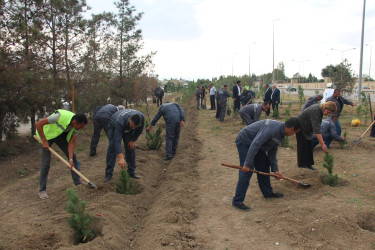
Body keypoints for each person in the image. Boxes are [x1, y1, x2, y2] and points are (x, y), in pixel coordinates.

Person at [232, 117, 301, 211]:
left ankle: (268, 192)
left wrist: (276, 170)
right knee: (247, 170)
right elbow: (255, 144)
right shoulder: (272, 129)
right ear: (291, 129)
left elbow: (272, 152)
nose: (293, 135)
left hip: (257, 145)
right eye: (294, 132)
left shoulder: (281, 135)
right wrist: (247, 164)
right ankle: (237, 201)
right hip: (245, 141)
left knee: (264, 165)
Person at [35, 110, 88, 199]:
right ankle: (42, 190)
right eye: (80, 126)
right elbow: (38, 124)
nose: (81, 128)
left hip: (60, 135)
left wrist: (70, 159)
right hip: (47, 136)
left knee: (73, 158)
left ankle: (77, 182)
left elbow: (71, 143)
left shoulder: (76, 126)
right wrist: (44, 141)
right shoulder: (58, 117)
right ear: (75, 122)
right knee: (46, 163)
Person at [104, 109, 144, 182]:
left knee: (130, 147)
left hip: (127, 126)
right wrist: (120, 157)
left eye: (136, 126)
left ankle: (131, 172)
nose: (134, 128)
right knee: (112, 147)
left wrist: (133, 140)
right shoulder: (120, 122)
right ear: (129, 120)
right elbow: (117, 140)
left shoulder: (141, 118)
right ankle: (108, 174)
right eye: (133, 126)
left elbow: (139, 130)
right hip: (114, 124)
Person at [296, 102, 337, 170]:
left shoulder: (320, 110)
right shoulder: (315, 110)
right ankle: (302, 165)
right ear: (325, 108)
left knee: (309, 145)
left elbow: (317, 125)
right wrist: (322, 144)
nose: (328, 114)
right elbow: (317, 130)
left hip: (308, 128)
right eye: (329, 112)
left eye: (330, 113)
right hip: (300, 127)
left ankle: (309, 164)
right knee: (303, 146)